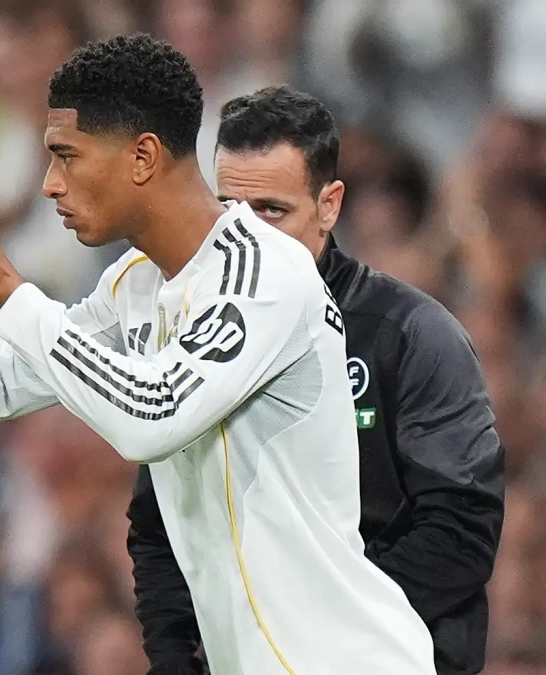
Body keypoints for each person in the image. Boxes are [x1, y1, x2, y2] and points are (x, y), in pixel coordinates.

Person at [0, 34, 436, 674]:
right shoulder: (135, 282)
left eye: (66, 154)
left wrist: (11, 289)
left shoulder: (266, 273)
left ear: (141, 156)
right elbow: (3, 382)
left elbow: (153, 412)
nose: (48, 183)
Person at [125, 85, 504, 675]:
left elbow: (461, 528)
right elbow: (161, 523)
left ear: (329, 205)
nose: (245, 237)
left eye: (272, 211)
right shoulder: (190, 330)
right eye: (229, 209)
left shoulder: (409, 335)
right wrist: (173, 657)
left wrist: (323, 633)